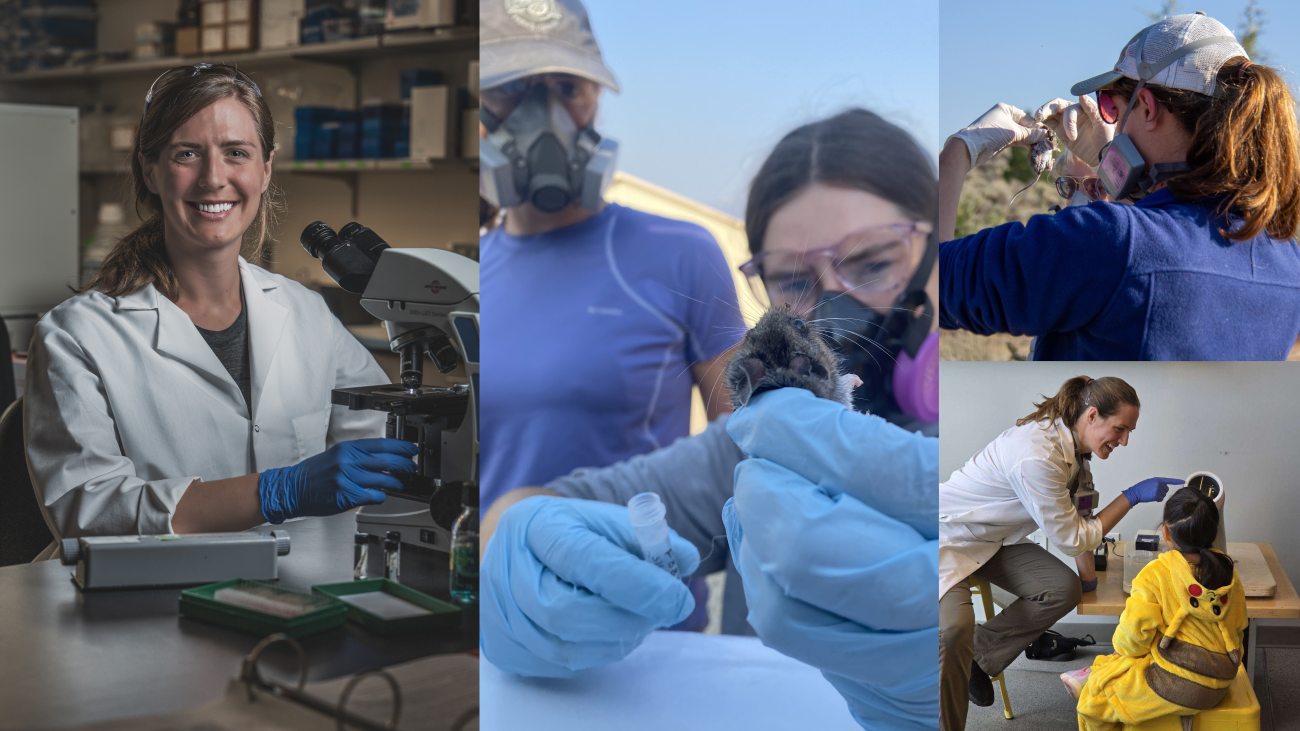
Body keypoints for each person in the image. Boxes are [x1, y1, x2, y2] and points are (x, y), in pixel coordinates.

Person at [480, 108, 941, 730]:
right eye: (795, 278)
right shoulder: (755, 451)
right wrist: (522, 555)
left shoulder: (1000, 447)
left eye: (874, 262)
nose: (834, 303)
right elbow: (545, 508)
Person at [24, 64, 417, 558]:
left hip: (302, 597)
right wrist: (276, 492)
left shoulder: (305, 312)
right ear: (150, 170)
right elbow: (86, 510)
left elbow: (385, 436)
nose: (214, 178)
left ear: (266, 168)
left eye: (236, 153)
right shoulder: (76, 334)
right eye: (187, 154)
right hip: (146, 613)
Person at [477, 0, 745, 512]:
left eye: (568, 88)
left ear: (595, 97)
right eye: (511, 87)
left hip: (643, 587)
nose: (547, 117)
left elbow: (745, 456)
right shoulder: (467, 274)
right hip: (497, 585)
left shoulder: (684, 255)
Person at [938, 13, 1300, 360]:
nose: (1114, 124)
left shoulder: (1112, 241)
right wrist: (1106, 165)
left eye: (1112, 106)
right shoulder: (1286, 259)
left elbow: (928, 286)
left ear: (1146, 106)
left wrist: (957, 154)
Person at [939, 375, 1182, 731]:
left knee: (1062, 589)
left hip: (993, 540)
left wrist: (1087, 580)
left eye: (1129, 432)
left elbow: (1080, 514)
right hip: (945, 536)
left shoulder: (1077, 452)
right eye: (1120, 429)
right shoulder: (1036, 455)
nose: (1125, 441)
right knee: (953, 632)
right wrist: (1129, 497)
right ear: (1093, 416)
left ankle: (979, 658)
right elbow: (1072, 539)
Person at [1062, 487, 1244, 731]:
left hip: (1179, 684)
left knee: (1094, 702)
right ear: (1213, 532)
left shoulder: (1156, 573)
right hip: (1222, 680)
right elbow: (1240, 625)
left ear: (1166, 532)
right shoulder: (1228, 571)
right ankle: (1094, 672)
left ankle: (1094, 678)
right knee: (1140, 656)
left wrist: (1122, 651)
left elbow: (1131, 640)